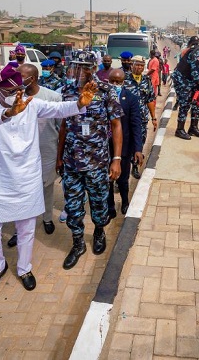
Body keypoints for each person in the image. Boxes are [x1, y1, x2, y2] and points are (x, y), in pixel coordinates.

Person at [0, 62, 95, 295]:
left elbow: (59, 109)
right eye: (9, 92)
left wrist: (80, 103)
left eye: (18, 90)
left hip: (26, 178)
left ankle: (24, 269)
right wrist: (9, 112)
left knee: (27, 231)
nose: (16, 96)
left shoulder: (32, 104)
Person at [58, 53, 123, 270]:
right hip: (72, 162)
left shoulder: (106, 91)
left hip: (97, 161)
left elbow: (116, 126)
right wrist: (59, 157)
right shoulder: (67, 92)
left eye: (86, 66)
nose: (82, 70)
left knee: (98, 202)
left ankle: (98, 231)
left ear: (94, 68)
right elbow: (64, 127)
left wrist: (116, 159)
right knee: (73, 206)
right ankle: (77, 243)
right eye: (78, 66)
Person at [20, 63, 63, 235]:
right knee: (23, 189)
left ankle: (47, 218)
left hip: (47, 150)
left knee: (46, 187)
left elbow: (61, 128)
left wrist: (60, 156)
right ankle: (20, 227)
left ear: (34, 78)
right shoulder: (15, 98)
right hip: (22, 153)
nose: (18, 80)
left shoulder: (52, 97)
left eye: (22, 77)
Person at [107, 68, 144, 216]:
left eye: (118, 82)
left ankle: (125, 201)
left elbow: (136, 124)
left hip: (124, 147)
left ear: (123, 83)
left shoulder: (131, 98)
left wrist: (138, 149)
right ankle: (110, 206)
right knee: (107, 179)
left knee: (123, 178)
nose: (115, 84)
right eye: (112, 81)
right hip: (105, 146)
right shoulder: (103, 97)